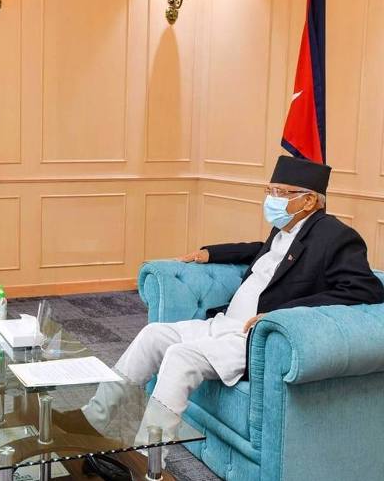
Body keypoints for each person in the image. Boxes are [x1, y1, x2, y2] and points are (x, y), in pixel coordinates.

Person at [84, 156, 384, 439]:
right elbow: (263, 251)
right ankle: (90, 421)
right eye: (270, 191)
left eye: (280, 192)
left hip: (254, 337)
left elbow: (365, 289)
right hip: (225, 323)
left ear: (308, 201)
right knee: (153, 335)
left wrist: (283, 315)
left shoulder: (336, 236)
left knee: (180, 356)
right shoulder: (286, 227)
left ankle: (149, 457)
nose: (272, 199)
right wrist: (211, 253)